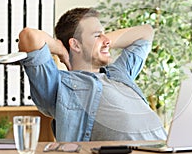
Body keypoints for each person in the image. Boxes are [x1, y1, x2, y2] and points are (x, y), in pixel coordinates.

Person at [18, 7, 167, 142]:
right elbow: (29, 36)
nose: (107, 40)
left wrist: (101, 42)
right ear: (75, 44)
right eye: (97, 35)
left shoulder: (119, 73)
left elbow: (146, 32)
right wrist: (61, 49)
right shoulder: (59, 85)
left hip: (166, 151)